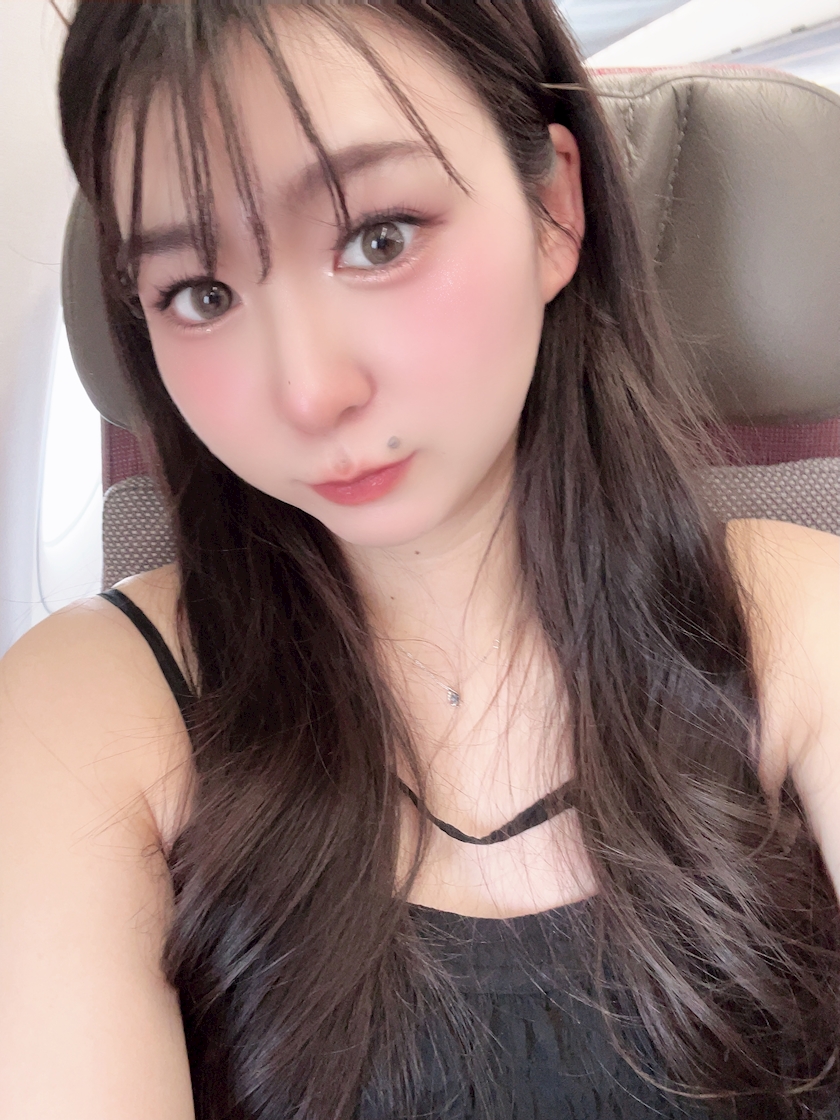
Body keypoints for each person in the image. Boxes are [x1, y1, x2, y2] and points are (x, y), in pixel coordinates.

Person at [1, 1, 839, 1117]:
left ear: (553, 209)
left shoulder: (803, 628)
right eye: (202, 294)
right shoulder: (80, 714)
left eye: (380, 237)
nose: (308, 392)